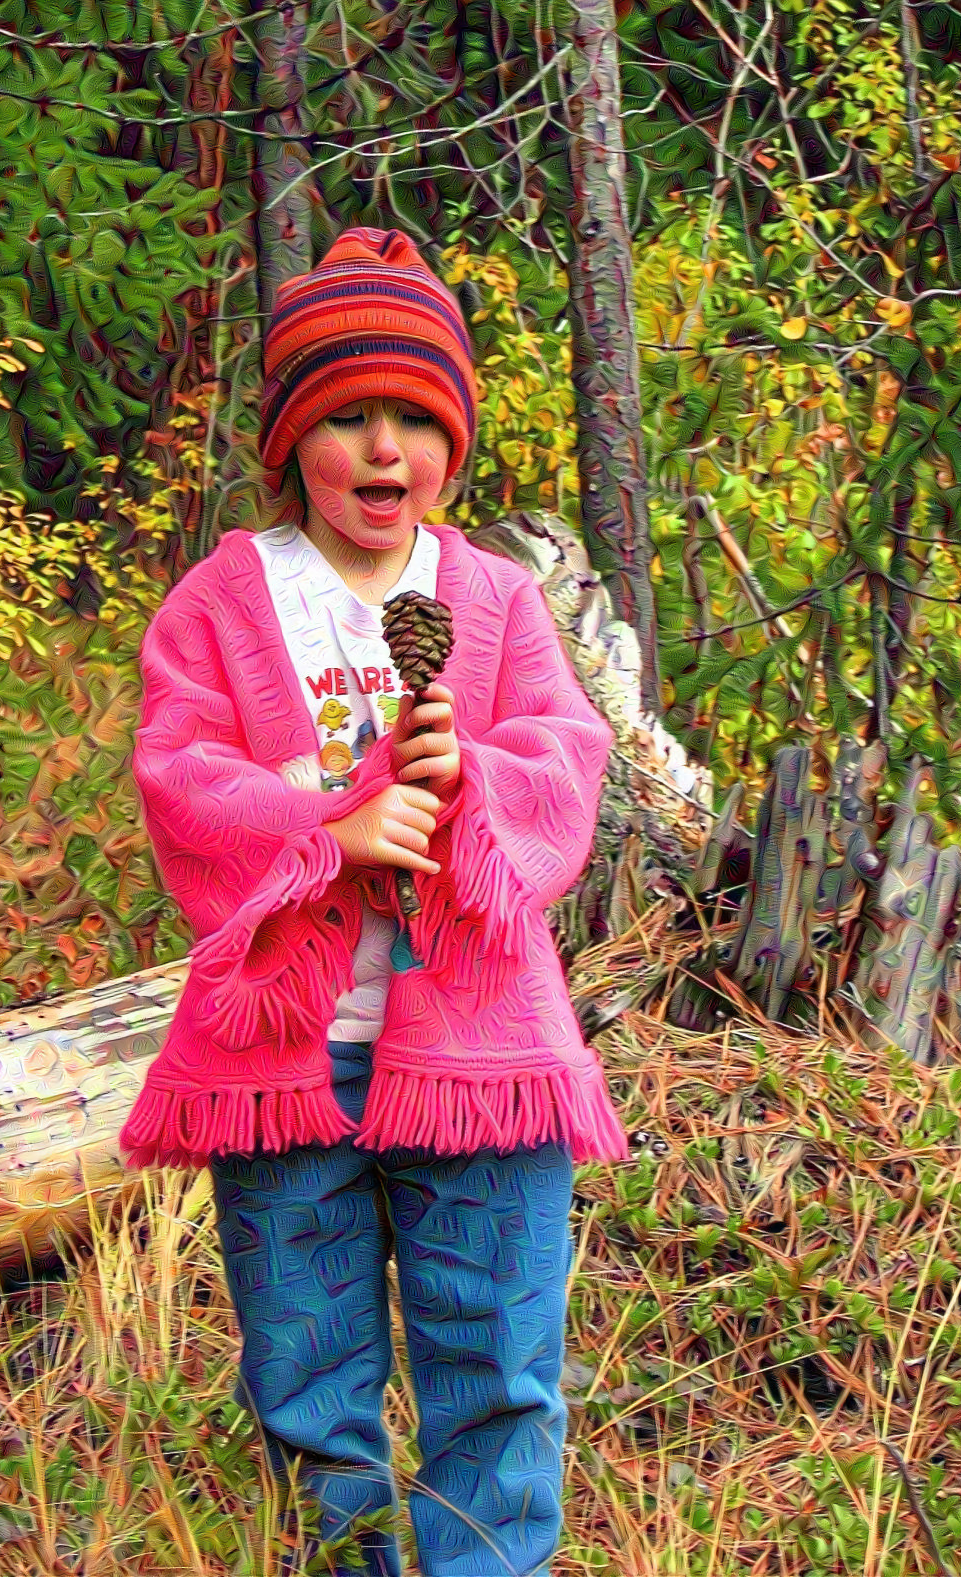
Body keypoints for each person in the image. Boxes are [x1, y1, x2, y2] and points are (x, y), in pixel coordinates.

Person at [119, 225, 629, 1576]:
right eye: (349, 415)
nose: (386, 449)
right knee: (309, 1385)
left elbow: (566, 760)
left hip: (479, 1060)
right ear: (293, 437)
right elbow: (180, 772)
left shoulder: (495, 600)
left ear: (454, 442)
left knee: (498, 1368)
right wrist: (328, 831)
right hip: (290, 1064)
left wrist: (468, 782)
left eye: (416, 416)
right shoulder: (228, 600)